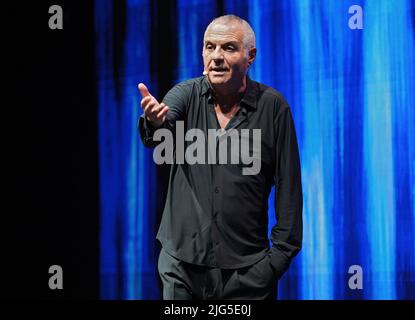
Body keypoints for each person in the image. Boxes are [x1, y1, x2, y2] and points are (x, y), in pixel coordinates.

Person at [137, 14, 302, 300]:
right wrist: (155, 120)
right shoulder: (185, 95)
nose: (216, 56)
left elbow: (290, 189)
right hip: (182, 268)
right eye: (209, 47)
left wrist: (276, 261)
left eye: (228, 48)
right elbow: (160, 127)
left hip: (248, 274)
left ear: (250, 56)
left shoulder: (273, 107)